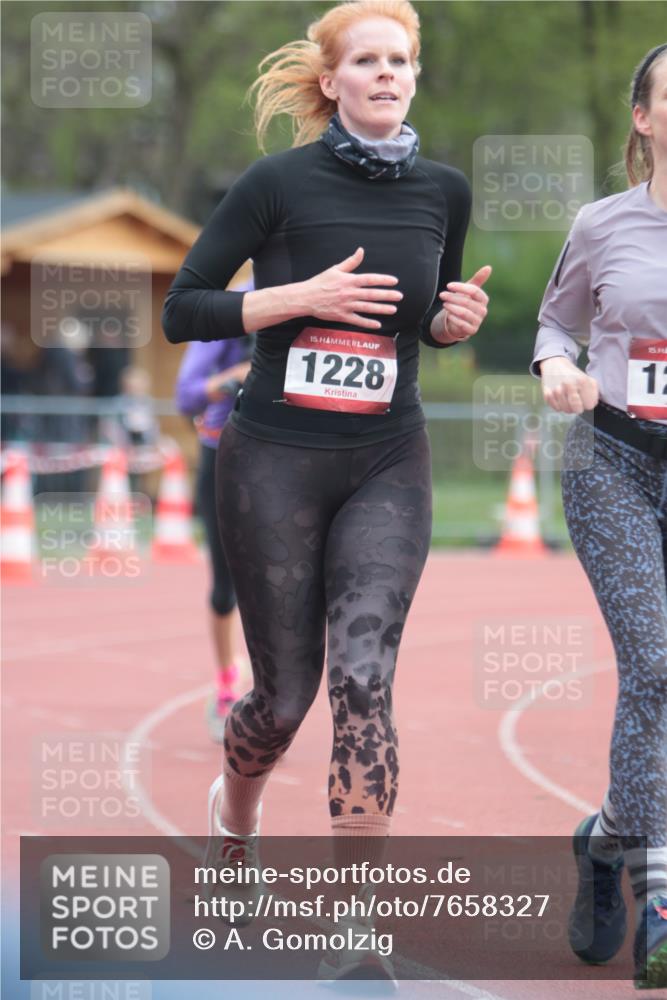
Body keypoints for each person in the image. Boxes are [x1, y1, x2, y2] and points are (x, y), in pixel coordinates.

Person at [163, 0, 490, 982]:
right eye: (370, 61)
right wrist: (297, 300)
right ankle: (237, 810)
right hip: (273, 458)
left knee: (362, 679)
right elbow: (184, 306)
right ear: (332, 80)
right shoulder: (274, 183)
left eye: (403, 61)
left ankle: (357, 926)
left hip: (388, 458)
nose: (389, 74)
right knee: (285, 694)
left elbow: (420, 322)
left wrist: (449, 323)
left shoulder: (443, 190)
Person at [531, 43, 667, 991]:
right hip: (611, 458)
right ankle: (658, 899)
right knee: (657, 660)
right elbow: (553, 323)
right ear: (644, 119)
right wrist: (555, 368)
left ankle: (608, 839)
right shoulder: (601, 223)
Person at [175, 283, 253, 742]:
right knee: (227, 588)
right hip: (223, 458)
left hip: (288, 461)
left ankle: (275, 692)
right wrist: (237, 376)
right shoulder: (232, 308)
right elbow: (185, 395)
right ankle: (227, 683)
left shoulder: (322, 290)